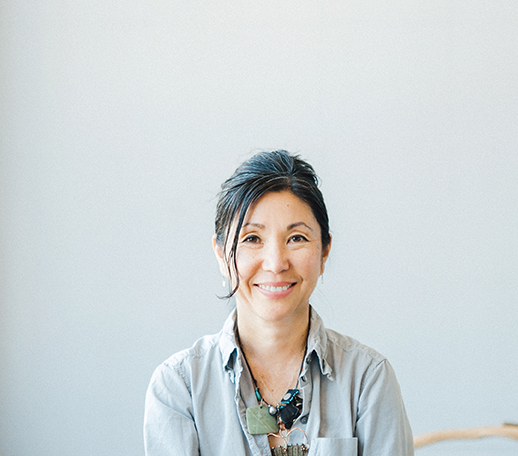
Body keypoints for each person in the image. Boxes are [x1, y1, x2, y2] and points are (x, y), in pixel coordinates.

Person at [144, 151, 413, 456]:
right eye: (252, 239)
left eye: (297, 238)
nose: (276, 263)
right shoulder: (179, 387)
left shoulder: (368, 380)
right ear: (221, 255)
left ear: (324, 251)